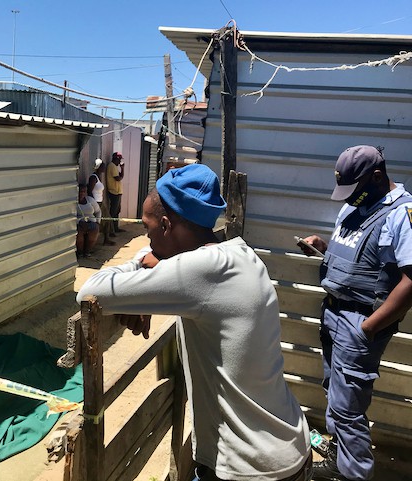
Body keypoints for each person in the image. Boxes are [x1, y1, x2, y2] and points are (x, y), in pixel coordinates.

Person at [78, 164, 312, 481]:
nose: (146, 238)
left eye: (148, 230)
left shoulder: (199, 270)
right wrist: (151, 285)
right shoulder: (239, 253)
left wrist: (140, 263)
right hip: (288, 447)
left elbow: (91, 292)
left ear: (166, 225)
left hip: (249, 468)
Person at [298, 145, 412, 481]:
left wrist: (368, 328)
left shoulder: (401, 214)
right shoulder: (356, 206)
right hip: (333, 312)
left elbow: (411, 280)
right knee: (334, 391)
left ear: (377, 177)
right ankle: (339, 459)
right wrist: (323, 247)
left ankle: (352, 475)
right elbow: (358, 256)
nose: (350, 198)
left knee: (348, 408)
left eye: (355, 190)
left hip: (358, 321)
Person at [88, 158, 116, 246]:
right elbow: (89, 191)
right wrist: (93, 203)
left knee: (107, 220)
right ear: (98, 167)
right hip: (96, 203)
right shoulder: (93, 177)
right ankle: (93, 243)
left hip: (100, 202)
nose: (104, 167)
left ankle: (106, 239)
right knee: (99, 222)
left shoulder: (98, 177)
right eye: (102, 166)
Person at [76, 183, 101, 258]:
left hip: (91, 222)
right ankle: (80, 253)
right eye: (80, 191)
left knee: (93, 234)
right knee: (79, 238)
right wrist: (79, 222)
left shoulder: (90, 200)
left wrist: (97, 222)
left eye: (84, 191)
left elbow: (98, 211)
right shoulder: (74, 203)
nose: (82, 193)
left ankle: (87, 252)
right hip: (79, 223)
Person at [106, 152, 125, 233]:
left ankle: (115, 228)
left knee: (117, 211)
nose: (120, 161)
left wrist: (122, 168)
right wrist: (122, 169)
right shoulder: (112, 166)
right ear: (116, 159)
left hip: (117, 192)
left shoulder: (115, 166)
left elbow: (120, 176)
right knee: (113, 212)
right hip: (114, 192)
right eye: (119, 159)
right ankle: (110, 230)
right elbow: (118, 178)